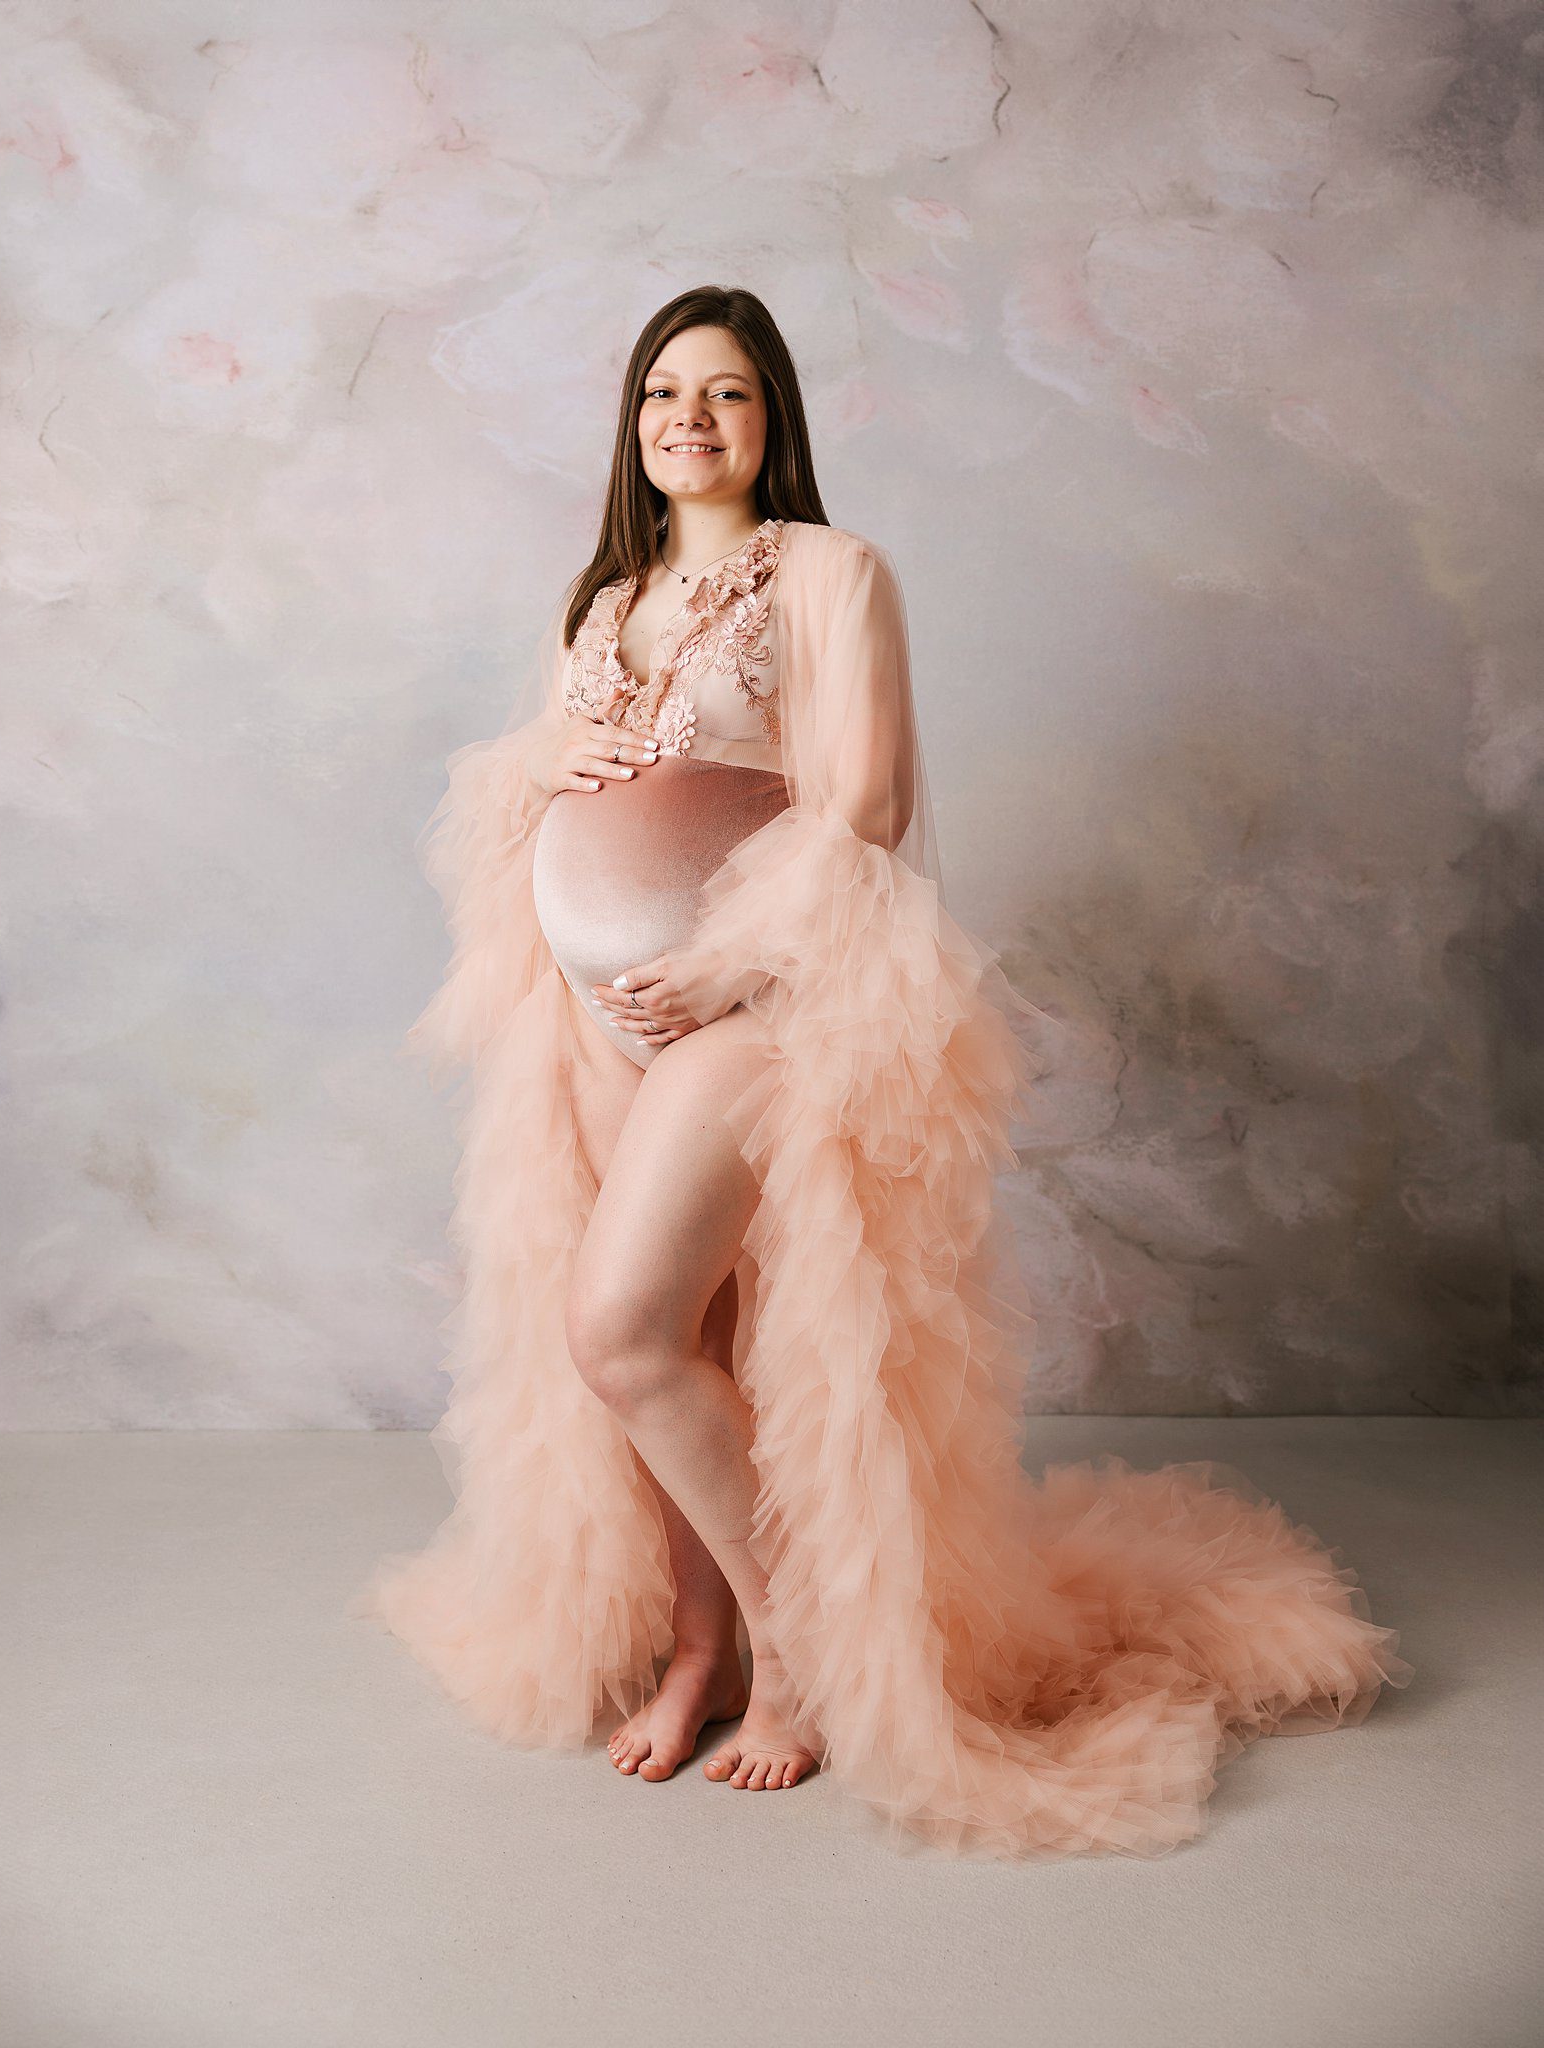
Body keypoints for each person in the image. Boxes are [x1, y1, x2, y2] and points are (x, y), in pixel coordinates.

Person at [354, 285, 1411, 1859]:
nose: (687, 420)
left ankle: (801, 1652)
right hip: (597, 1013)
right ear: (630, 425)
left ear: (772, 417)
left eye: (723, 394)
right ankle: (704, 1649)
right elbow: (552, 786)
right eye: (660, 394)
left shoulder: (833, 574)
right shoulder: (602, 598)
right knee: (690, 1338)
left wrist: (721, 959)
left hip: (754, 996)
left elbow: (862, 798)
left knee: (624, 1330)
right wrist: (534, 767)